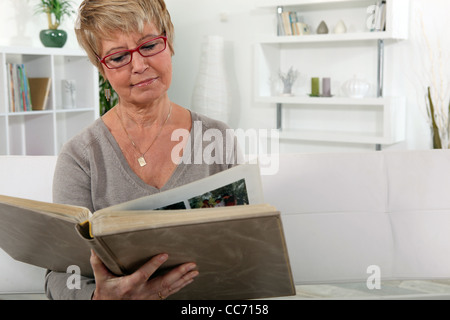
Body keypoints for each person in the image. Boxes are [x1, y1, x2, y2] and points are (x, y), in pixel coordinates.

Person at [45, 0, 239, 300]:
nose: (139, 65)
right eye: (119, 56)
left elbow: (245, 246)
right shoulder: (79, 156)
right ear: (102, 68)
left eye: (149, 46)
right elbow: (59, 274)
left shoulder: (218, 137)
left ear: (169, 42)